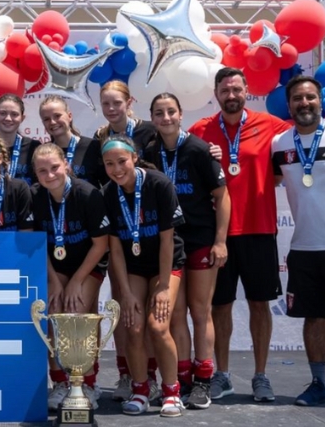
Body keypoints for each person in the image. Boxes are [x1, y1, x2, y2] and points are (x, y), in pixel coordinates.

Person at [188, 67, 325, 402]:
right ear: (216, 93)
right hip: (218, 234)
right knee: (220, 308)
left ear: (246, 90)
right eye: (225, 90)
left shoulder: (274, 129)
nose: (232, 95)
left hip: (260, 230)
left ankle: (261, 376)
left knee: (258, 305)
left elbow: (309, 131)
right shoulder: (199, 130)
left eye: (237, 89)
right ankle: (222, 374)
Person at [271, 75, 325, 412]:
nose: (304, 103)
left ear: (320, 102)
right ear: (290, 104)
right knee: (314, 318)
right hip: (304, 248)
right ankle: (319, 383)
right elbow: (270, 179)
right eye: (297, 99)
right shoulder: (279, 144)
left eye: (310, 98)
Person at [144, 93, 230, 409]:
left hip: (201, 239)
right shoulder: (149, 151)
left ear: (181, 114)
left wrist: (220, 241)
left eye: (170, 111)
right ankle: (182, 379)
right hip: (168, 242)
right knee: (175, 313)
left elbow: (222, 196)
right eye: (159, 113)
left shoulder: (198, 149)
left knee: (200, 310)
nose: (165, 117)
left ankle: (204, 379)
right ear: (152, 118)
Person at [101, 135, 186, 417]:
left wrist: (163, 287)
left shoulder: (158, 183)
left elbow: (167, 241)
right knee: (133, 325)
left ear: (134, 158)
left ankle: (172, 391)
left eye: (122, 161)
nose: (116, 169)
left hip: (165, 264)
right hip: (134, 268)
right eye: (109, 164)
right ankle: (140, 389)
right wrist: (124, 292)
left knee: (158, 326)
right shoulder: (108, 194)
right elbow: (115, 250)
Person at [31, 142, 110, 411]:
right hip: (56, 267)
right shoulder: (35, 196)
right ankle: (60, 383)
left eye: (54, 167)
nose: (49, 175)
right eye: (42, 171)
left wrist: (76, 281)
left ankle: (87, 381)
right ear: (35, 173)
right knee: (53, 311)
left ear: (66, 164)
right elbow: (37, 244)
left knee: (76, 312)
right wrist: (54, 281)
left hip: (88, 264)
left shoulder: (87, 194)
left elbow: (101, 244)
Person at [39, 95, 99, 184]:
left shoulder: (93, 147)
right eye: (47, 119)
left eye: (57, 116)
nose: (52, 122)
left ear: (69, 116)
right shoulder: (43, 153)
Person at [0, 94, 41, 184]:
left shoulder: (34, 147)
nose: (8, 118)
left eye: (14, 114)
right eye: (3, 113)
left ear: (22, 118)